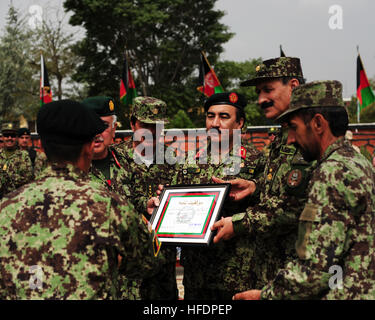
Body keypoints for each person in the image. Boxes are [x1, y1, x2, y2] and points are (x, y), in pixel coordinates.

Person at [0, 100, 164, 299]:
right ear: (88, 147)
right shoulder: (110, 205)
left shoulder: (6, 208)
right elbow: (149, 262)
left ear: (41, 145)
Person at [233, 80, 375, 300]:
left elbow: (316, 268)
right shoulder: (357, 161)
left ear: (318, 124)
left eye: (294, 127)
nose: (290, 139)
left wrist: (265, 296)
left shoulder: (331, 172)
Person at [211, 57, 317, 291]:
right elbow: (285, 184)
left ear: (294, 86)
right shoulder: (283, 133)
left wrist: (238, 223)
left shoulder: (311, 135)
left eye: (268, 90)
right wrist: (254, 186)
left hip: (300, 277)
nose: (261, 100)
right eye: (259, 92)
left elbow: (294, 205)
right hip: (273, 273)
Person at [173, 92, 260, 300]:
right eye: (210, 116)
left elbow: (267, 208)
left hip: (237, 270)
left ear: (239, 123)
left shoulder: (257, 162)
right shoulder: (189, 161)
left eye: (223, 117)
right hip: (197, 272)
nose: (215, 123)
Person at [118, 96, 178, 300]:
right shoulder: (115, 158)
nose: (151, 133)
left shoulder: (173, 158)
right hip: (128, 261)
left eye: (158, 127)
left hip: (163, 259)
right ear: (133, 123)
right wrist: (145, 203)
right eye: (146, 126)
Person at [0, 122, 33, 197]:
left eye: (12, 136)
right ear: (2, 137)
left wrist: (8, 176)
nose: (9, 138)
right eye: (6, 135)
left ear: (17, 138)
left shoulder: (24, 155)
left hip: (16, 199)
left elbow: (28, 178)